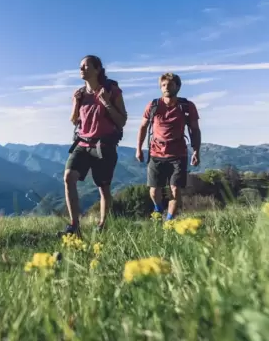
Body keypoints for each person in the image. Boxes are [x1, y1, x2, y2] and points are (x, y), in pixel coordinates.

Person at [59, 55, 128, 237]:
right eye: (80, 66)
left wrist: (105, 102)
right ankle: (74, 226)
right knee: (68, 177)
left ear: (97, 69)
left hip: (103, 145)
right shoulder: (80, 94)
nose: (81, 69)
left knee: (103, 187)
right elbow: (75, 120)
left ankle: (103, 225)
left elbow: (122, 121)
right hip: (82, 142)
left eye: (85, 66)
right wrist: (75, 104)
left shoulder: (111, 90)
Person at [135, 72, 201, 221]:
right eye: (163, 85)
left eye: (170, 84)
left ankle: (169, 221)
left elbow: (194, 130)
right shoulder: (153, 106)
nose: (166, 88)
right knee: (153, 191)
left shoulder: (187, 106)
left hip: (178, 153)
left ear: (177, 87)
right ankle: (158, 208)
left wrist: (196, 151)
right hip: (156, 152)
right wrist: (138, 149)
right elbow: (143, 128)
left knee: (175, 190)